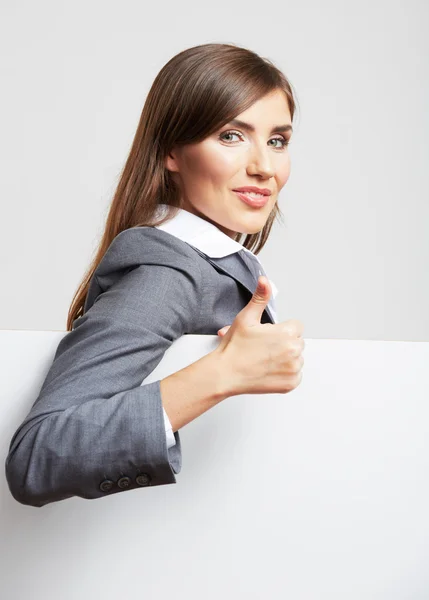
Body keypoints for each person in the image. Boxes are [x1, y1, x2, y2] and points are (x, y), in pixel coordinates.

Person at [5, 42, 305, 508]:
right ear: (171, 152)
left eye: (277, 141)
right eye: (231, 135)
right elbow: (38, 456)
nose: (264, 167)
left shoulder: (210, 264)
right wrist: (223, 372)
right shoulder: (167, 272)